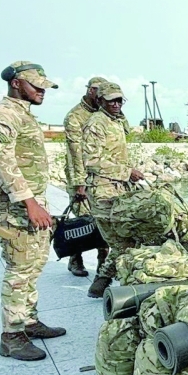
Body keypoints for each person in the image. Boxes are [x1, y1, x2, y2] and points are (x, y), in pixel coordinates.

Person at [0, 61, 67, 361]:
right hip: (14, 207)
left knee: (34, 263)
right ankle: (12, 336)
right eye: (36, 85)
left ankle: (29, 321)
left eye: (44, 86)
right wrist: (29, 202)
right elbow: (1, 161)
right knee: (19, 268)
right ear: (16, 83)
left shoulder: (22, 114)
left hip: (30, 204)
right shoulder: (3, 115)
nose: (42, 90)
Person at [82, 80, 144, 298]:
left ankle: (104, 282)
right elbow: (91, 161)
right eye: (111, 101)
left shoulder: (115, 121)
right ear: (100, 101)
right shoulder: (96, 124)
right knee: (121, 241)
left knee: (128, 238)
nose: (117, 105)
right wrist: (126, 172)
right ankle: (101, 282)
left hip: (119, 189)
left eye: (120, 100)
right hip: (103, 192)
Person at [62, 76, 108, 277]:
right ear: (91, 91)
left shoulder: (105, 113)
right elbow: (75, 153)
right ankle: (75, 260)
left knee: (105, 220)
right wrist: (79, 184)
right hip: (80, 175)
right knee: (81, 221)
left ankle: (103, 265)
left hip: (103, 176)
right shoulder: (75, 116)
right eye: (99, 91)